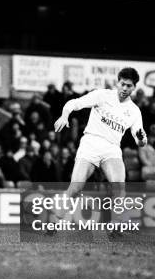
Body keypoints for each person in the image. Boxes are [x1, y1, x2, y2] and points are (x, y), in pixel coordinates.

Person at [52, 68, 147, 228]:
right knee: (76, 187)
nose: (124, 88)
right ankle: (54, 222)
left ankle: (116, 228)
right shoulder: (101, 95)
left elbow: (141, 141)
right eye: (122, 84)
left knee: (119, 187)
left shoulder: (134, 111)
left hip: (112, 148)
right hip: (91, 143)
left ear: (134, 87)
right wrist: (64, 115)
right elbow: (74, 103)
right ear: (118, 82)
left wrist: (141, 138)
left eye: (129, 86)